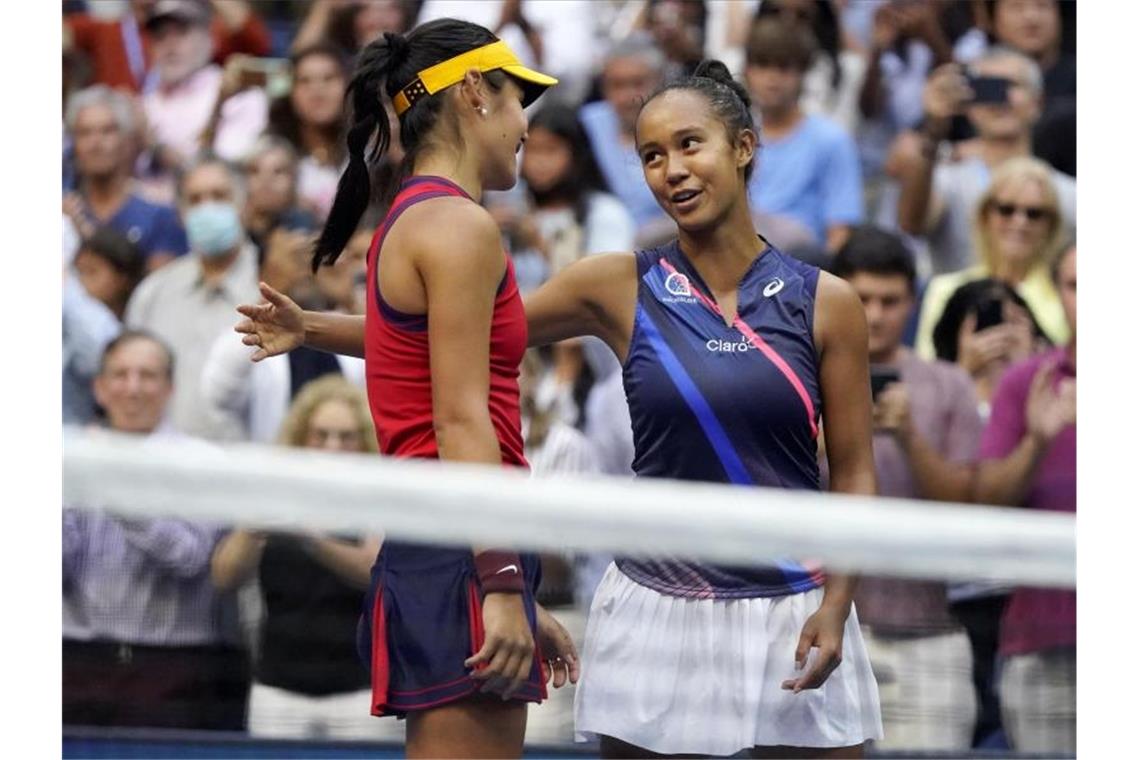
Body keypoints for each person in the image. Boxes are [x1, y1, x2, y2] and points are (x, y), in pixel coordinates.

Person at [236, 57, 883, 758]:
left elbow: (852, 474)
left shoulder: (828, 303)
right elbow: (456, 333)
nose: (672, 171)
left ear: (744, 147)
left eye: (690, 145)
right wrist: (314, 327)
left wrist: (837, 603)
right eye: (652, 157)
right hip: (659, 612)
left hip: (791, 606)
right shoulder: (615, 285)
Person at [238, 21, 578, 758]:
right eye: (521, 99)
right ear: (473, 93)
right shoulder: (460, 226)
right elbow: (459, 420)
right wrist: (500, 580)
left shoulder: (416, 217)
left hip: (444, 543)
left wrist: (315, 328)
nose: (526, 124)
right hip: (463, 547)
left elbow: (415, 347)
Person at [829, 226, 981, 751]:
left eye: (889, 301)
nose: (873, 315)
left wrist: (909, 435)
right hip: (823, 632)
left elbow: (967, 508)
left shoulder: (947, 384)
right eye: (861, 298)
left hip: (929, 636)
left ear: (912, 302)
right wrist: (829, 442)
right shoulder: (798, 378)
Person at [64, 331, 249, 730]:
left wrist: (112, 487)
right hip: (76, 662)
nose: (133, 388)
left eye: (147, 376)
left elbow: (189, 559)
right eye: (120, 374)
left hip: (174, 668)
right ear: (99, 387)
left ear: (169, 389)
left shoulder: (202, 463)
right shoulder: (70, 457)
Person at [210, 375, 390, 740]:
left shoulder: (378, 497)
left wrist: (308, 537)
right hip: (279, 687)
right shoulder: (277, 490)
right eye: (321, 435)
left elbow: (375, 572)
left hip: (359, 691)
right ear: (301, 439)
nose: (332, 447)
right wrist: (253, 527)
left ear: (364, 442)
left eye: (346, 437)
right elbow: (224, 576)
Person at [972, 242, 1075, 754]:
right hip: (1041, 640)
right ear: (1059, 293)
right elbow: (987, 502)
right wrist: (1037, 441)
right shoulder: (1025, 383)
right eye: (1078, 286)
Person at [893, 47, 1075, 276]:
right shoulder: (946, 179)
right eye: (987, 88)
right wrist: (933, 131)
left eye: (1011, 86)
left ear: (1038, 102)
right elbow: (911, 224)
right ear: (968, 105)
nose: (999, 100)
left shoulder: (1067, 193)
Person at [125, 156, 261, 440]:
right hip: (162, 463)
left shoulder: (270, 286)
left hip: (248, 465)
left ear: (245, 205)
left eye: (219, 196)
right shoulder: (154, 292)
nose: (207, 208)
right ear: (180, 214)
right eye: (195, 200)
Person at [200, 213, 365, 443]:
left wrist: (348, 301)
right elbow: (218, 395)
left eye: (314, 258)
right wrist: (271, 292)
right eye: (294, 258)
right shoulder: (241, 340)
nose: (305, 270)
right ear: (263, 270)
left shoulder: (345, 325)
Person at [914, 156, 1067, 362]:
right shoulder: (944, 289)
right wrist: (964, 369)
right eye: (1006, 210)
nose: (1020, 222)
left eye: (1034, 213)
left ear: (1051, 225)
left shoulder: (1068, 295)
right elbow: (927, 376)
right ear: (985, 216)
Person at [743, 16, 864, 252]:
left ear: (804, 72)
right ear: (747, 70)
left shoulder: (832, 140)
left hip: (802, 269)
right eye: (762, 64)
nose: (772, 78)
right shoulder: (735, 138)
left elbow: (840, 234)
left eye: (784, 67)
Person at [64, 85, 189, 271]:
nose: (95, 143)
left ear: (128, 140)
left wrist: (89, 237)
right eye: (84, 133)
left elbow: (160, 290)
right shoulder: (63, 210)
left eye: (107, 131)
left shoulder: (159, 216)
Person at [142, 0, 268, 172]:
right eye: (160, 36)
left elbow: (223, 172)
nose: (170, 45)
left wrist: (158, 149)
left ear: (209, 38)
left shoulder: (239, 94)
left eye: (181, 32)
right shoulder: (144, 105)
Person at [63, 0, 271, 94]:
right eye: (161, 37)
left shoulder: (195, 33)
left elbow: (255, 41)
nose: (169, 41)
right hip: (119, 148)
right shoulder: (105, 31)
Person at [578, 36, 670, 233]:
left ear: (660, 83)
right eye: (617, 85)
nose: (627, 96)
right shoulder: (587, 124)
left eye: (638, 83)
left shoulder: (681, 126)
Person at [266, 43, 352, 221]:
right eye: (305, 81)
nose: (317, 91)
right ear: (291, 92)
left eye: (328, 79)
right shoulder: (273, 158)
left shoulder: (373, 151)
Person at [72, 227, 147, 323]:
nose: (81, 281)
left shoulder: (143, 314)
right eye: (79, 272)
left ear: (122, 278)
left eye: (92, 272)